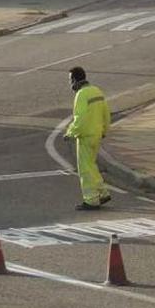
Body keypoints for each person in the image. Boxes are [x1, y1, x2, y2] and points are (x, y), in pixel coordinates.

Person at [64, 67, 111, 210]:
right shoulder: (96, 90)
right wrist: (104, 130)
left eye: (70, 79)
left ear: (75, 79)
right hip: (97, 134)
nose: (70, 83)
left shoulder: (81, 95)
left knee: (85, 169)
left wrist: (70, 133)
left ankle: (91, 199)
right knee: (91, 165)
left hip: (85, 136)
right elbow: (106, 113)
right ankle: (102, 193)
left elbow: (80, 118)